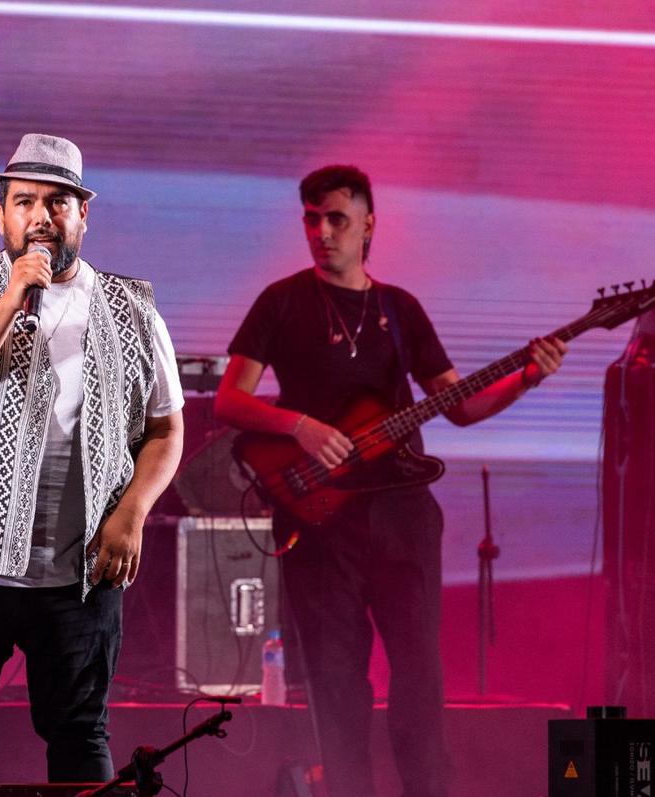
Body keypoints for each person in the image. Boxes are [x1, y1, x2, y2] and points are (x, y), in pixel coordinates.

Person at [214, 164, 566, 797]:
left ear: (368, 224)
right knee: (337, 683)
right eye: (313, 220)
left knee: (419, 679)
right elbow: (230, 402)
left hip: (403, 519)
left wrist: (528, 377)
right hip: (321, 523)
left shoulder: (400, 310)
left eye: (337, 220)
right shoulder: (282, 301)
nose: (323, 232)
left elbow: (458, 404)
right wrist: (299, 426)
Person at [0, 133, 184, 795]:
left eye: (58, 201)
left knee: (80, 733)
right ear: (2, 215)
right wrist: (12, 294)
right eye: (24, 201)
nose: (41, 216)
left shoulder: (134, 307)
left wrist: (131, 514)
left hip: (76, 574)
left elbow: (166, 429)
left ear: (84, 213)